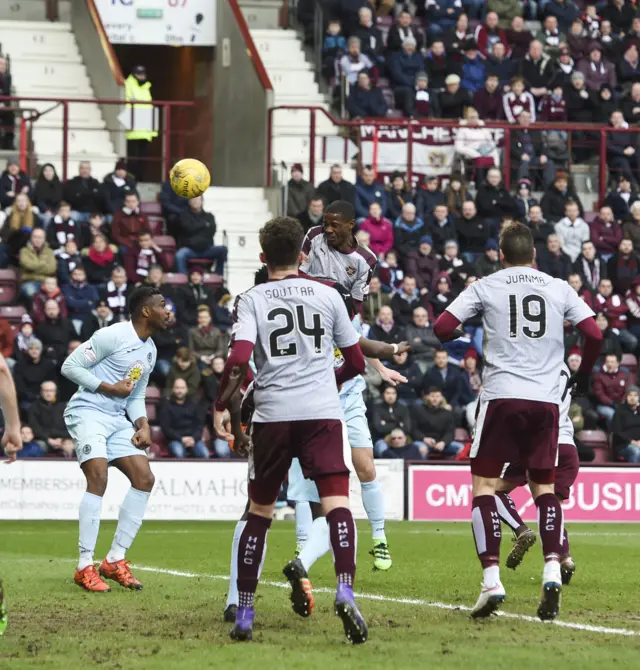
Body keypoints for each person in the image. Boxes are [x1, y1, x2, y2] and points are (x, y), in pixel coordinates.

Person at [433, 222, 601, 620]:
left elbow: (441, 327)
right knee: (544, 489)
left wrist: (461, 334)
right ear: (535, 256)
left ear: (501, 255)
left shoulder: (486, 285)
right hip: (547, 402)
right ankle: (551, 568)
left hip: (502, 396)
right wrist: (582, 376)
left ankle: (491, 580)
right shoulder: (558, 286)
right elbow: (593, 334)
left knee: (484, 487)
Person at [213, 216, 368, 643]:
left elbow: (239, 358)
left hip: (273, 415)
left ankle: (244, 611)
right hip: (321, 413)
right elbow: (355, 363)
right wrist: (325, 382)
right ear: (303, 254)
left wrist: (221, 405)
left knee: (259, 512)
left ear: (263, 257)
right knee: (337, 504)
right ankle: (344, 588)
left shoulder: (251, 299)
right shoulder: (329, 294)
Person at [61, 285, 168, 592]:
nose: (168, 310)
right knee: (98, 475)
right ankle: (84, 565)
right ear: (146, 310)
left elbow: (134, 394)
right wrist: (107, 387)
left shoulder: (150, 350)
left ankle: (114, 560)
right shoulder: (113, 335)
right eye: (162, 305)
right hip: (88, 411)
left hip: (117, 419)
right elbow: (70, 366)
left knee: (144, 478)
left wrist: (143, 423)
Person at [494, 363, 580, 584]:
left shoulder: (535, 366)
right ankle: (565, 558)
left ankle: (521, 530)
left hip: (539, 443)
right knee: (552, 505)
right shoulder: (564, 368)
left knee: (491, 490)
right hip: (568, 445)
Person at [175, 196, 227, 276]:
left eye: (197, 199)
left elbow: (211, 231)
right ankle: (183, 280)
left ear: (202, 201)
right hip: (190, 249)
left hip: (206, 249)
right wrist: (204, 224)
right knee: (180, 255)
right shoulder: (183, 216)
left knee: (222, 250)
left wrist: (194, 228)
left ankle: (218, 276)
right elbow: (188, 228)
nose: (195, 201)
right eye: (193, 199)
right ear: (189, 202)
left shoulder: (209, 216)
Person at [160, 377, 209, 459]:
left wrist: (193, 438)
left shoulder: (194, 404)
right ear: (173, 389)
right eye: (177, 388)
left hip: (193, 439)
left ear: (186, 389)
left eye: (182, 388)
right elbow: (166, 429)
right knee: (179, 454)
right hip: (175, 439)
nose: (180, 391)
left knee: (205, 454)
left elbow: (199, 425)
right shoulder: (166, 406)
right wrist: (182, 439)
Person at [124, 66, 157, 181]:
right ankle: (132, 180)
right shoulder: (127, 85)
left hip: (145, 130)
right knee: (133, 159)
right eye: (138, 74)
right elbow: (126, 105)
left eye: (142, 74)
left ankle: (140, 180)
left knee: (143, 159)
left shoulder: (146, 87)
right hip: (132, 130)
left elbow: (149, 107)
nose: (141, 76)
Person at [412, 387, 463, 459]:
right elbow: (414, 429)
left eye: (438, 396)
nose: (435, 399)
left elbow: (450, 432)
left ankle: (454, 470)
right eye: (432, 396)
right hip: (423, 441)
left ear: (441, 398)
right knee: (422, 449)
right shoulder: (418, 410)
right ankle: (422, 469)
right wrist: (424, 439)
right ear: (427, 397)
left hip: (441, 443)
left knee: (461, 448)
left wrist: (443, 442)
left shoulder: (447, 413)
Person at [28, 380, 73, 457]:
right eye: (46, 391)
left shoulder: (63, 406)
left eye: (51, 391)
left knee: (73, 446)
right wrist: (49, 440)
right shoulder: (34, 407)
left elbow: (70, 426)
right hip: (43, 439)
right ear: (41, 392)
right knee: (40, 446)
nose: (48, 394)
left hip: (63, 439)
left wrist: (63, 439)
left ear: (55, 392)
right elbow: (35, 428)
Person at [13, 338, 57, 412]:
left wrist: (43, 396)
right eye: (31, 348)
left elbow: (53, 382)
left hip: (45, 396)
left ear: (41, 350)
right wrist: (30, 396)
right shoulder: (20, 365)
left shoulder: (49, 365)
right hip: (27, 399)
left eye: (37, 348)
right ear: (27, 350)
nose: (34, 351)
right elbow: (19, 386)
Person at [372, 386, 412, 454]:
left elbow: (407, 428)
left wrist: (386, 424)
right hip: (382, 439)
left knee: (417, 449)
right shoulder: (377, 409)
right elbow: (379, 429)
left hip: (401, 438)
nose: (390, 396)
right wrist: (398, 424)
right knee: (382, 448)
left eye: (393, 393)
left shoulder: (403, 409)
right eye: (388, 393)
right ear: (383, 394)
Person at [593, 352, 631, 425]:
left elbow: (627, 391)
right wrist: (612, 403)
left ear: (617, 363)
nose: (609, 364)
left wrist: (623, 402)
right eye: (608, 362)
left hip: (621, 404)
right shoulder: (599, 376)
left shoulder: (623, 374)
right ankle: (613, 434)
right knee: (613, 414)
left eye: (612, 362)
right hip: (604, 405)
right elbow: (599, 394)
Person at [19, 228, 57, 299]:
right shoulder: (24, 251)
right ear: (31, 238)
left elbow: (52, 268)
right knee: (30, 292)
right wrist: (43, 264)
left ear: (44, 239)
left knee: (56, 293)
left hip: (47, 282)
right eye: (35, 237)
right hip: (29, 281)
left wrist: (34, 268)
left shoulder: (49, 251)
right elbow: (28, 265)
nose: (37, 239)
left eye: (40, 237)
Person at [63, 266, 100, 332]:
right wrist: (87, 302)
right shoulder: (66, 288)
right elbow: (70, 303)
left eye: (80, 274)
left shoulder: (91, 288)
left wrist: (75, 302)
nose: (77, 276)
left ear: (85, 275)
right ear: (71, 275)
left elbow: (93, 305)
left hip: (89, 317)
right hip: (73, 318)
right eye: (75, 274)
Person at [611, 385, 640, 463]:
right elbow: (617, 432)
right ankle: (633, 475)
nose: (632, 398)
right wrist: (632, 442)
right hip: (623, 445)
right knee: (636, 451)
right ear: (626, 397)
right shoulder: (620, 411)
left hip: (639, 443)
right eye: (630, 395)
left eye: (635, 395)